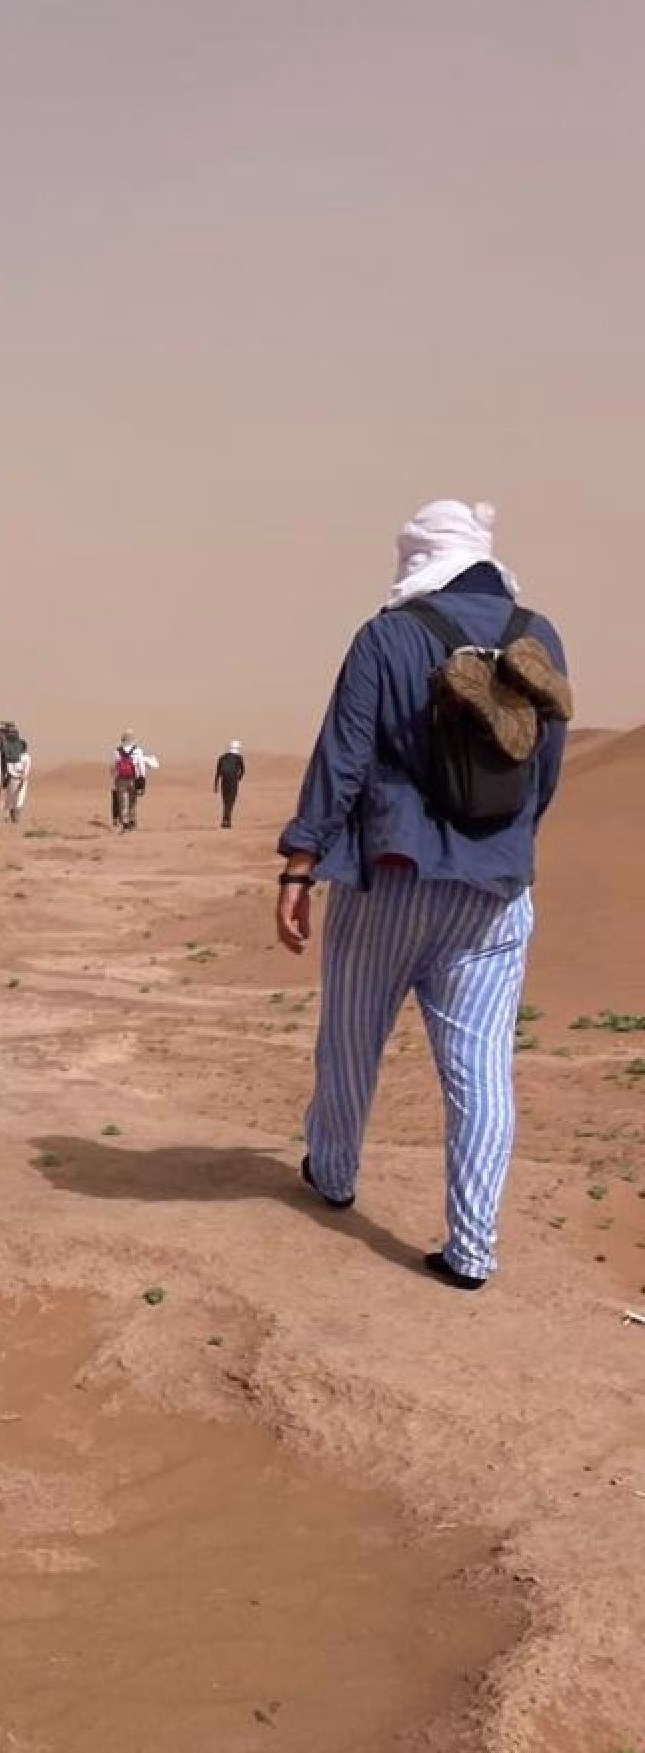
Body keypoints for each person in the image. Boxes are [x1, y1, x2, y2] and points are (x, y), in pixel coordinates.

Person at [276, 498, 569, 1289]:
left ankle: (333, 1176)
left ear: (416, 559)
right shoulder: (539, 637)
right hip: (496, 891)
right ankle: (472, 1249)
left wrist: (300, 865)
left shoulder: (387, 635)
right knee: (481, 1070)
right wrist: (505, 845)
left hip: (391, 880)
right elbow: (544, 769)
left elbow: (342, 758)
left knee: (350, 1041)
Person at [0, 722, 32, 826]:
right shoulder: (19, 756)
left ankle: (14, 815)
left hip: (16, 778)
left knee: (17, 797)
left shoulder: (20, 756)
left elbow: (24, 768)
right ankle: (11, 815)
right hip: (16, 778)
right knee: (14, 797)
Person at [110, 732, 144, 831]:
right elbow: (141, 766)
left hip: (120, 780)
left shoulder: (116, 751)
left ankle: (125, 823)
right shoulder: (137, 750)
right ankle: (132, 823)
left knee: (122, 802)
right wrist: (142, 778)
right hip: (133, 779)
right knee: (132, 802)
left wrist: (114, 778)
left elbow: (113, 767)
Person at [215, 741, 246, 828]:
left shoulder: (222, 757)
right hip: (233, 782)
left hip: (224, 782)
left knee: (225, 802)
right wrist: (238, 779)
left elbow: (218, 772)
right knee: (231, 801)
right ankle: (227, 821)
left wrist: (216, 785)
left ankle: (225, 820)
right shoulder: (239, 758)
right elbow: (243, 771)